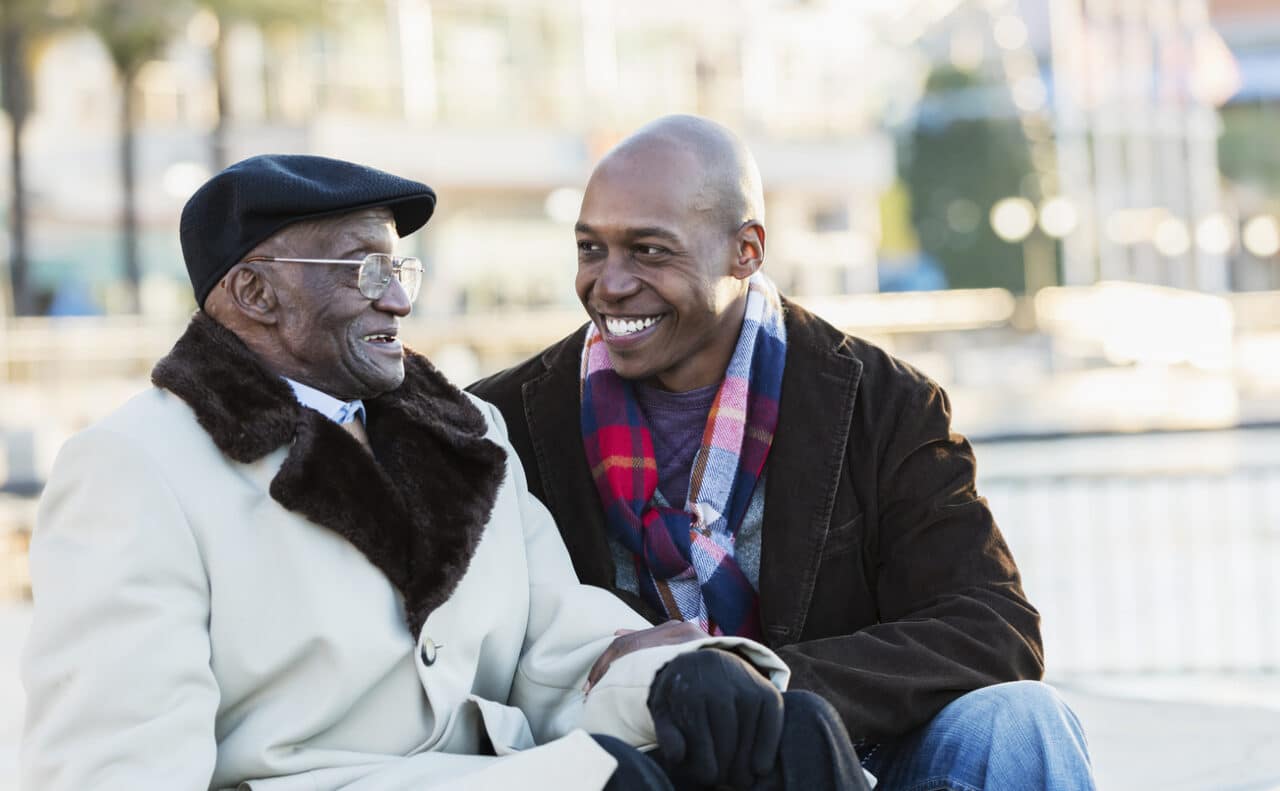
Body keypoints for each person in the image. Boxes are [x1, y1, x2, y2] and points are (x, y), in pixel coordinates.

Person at [20, 154, 870, 791]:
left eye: (402, 269)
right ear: (254, 293)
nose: (399, 298)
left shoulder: (467, 431)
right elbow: (114, 768)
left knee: (786, 734)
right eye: (366, 269)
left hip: (511, 774)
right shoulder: (137, 468)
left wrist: (678, 677)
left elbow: (553, 641)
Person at [469, 116, 1096, 790]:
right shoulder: (498, 424)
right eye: (592, 249)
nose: (609, 283)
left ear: (746, 250)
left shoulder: (885, 404)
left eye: (649, 251)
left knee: (1023, 720)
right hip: (631, 762)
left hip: (846, 750)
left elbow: (993, 628)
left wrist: (755, 681)